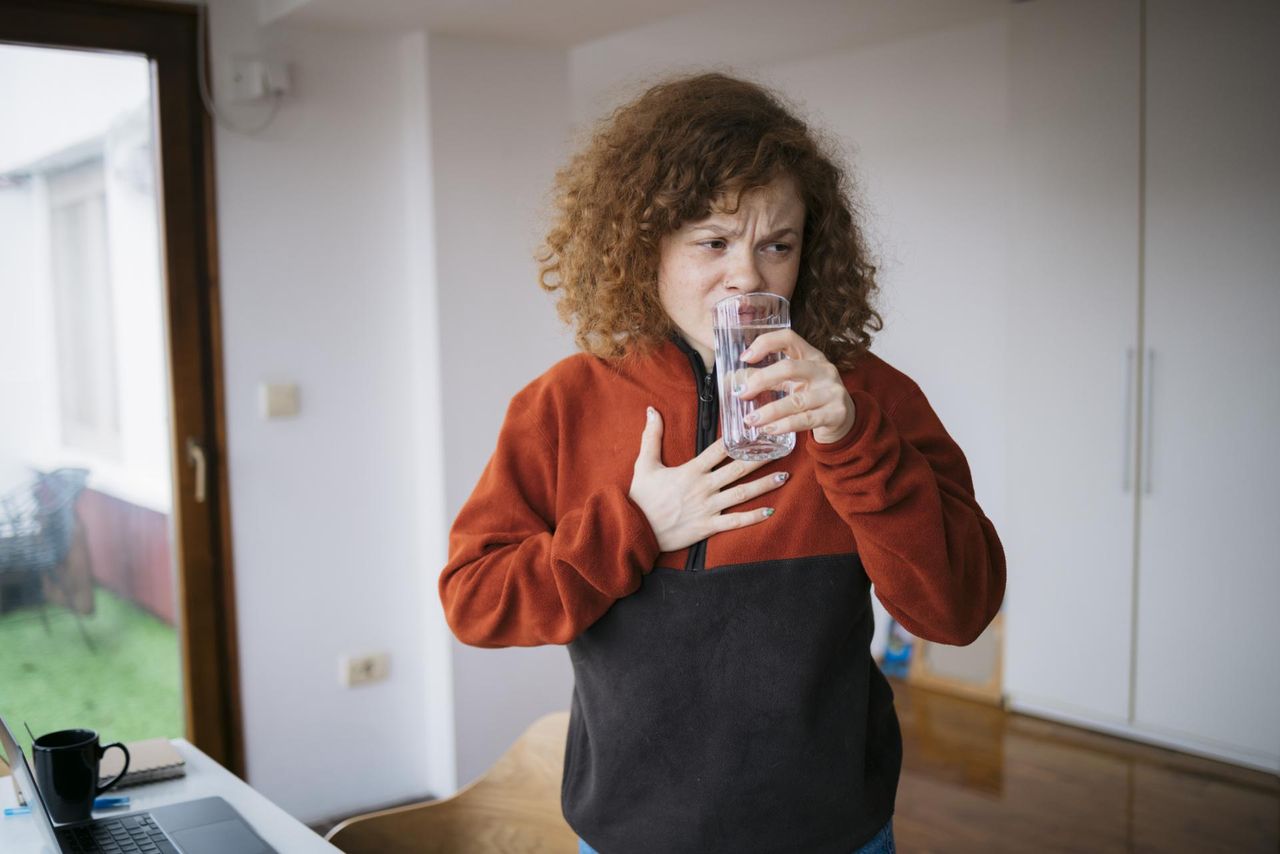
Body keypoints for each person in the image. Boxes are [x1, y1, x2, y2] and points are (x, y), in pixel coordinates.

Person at [439, 72, 1005, 854]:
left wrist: (851, 440)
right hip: (628, 838)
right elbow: (475, 601)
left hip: (833, 836)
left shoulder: (867, 397)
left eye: (778, 244)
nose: (747, 276)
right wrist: (634, 527)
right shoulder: (563, 404)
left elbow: (959, 611)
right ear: (645, 246)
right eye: (712, 241)